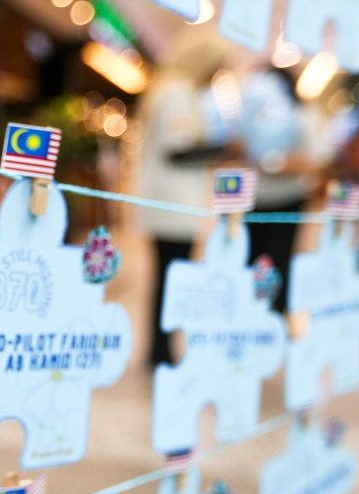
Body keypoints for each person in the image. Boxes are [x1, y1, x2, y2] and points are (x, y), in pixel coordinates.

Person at [136, 33, 229, 367]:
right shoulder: (177, 93)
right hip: (172, 203)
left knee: (166, 276)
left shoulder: (169, 89)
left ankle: (160, 351)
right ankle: (161, 354)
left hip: (169, 201)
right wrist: (223, 149)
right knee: (171, 278)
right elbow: (178, 149)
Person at [238, 67, 330, 313]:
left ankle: (276, 316)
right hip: (256, 199)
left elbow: (318, 159)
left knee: (279, 259)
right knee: (255, 260)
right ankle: (254, 315)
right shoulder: (251, 115)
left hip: (288, 198)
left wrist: (276, 162)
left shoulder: (303, 116)